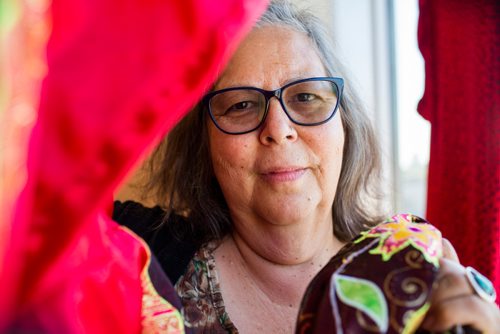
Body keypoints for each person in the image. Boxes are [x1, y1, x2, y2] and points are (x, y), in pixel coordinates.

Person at [114, 1, 500, 332]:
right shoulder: (138, 261)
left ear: (345, 127)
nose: (278, 130)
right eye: (241, 105)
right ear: (205, 145)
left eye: (306, 97)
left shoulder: (412, 263)